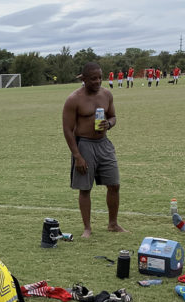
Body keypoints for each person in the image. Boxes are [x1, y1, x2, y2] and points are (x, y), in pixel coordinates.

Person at [62, 62, 126, 238]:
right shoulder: (74, 99)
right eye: (93, 78)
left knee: (114, 185)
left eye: (100, 77)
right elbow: (67, 129)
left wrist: (109, 123)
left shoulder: (106, 94)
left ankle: (113, 224)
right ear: (84, 79)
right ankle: (87, 228)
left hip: (104, 143)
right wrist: (77, 156)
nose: (97, 81)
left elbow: (113, 116)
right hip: (84, 145)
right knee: (85, 188)